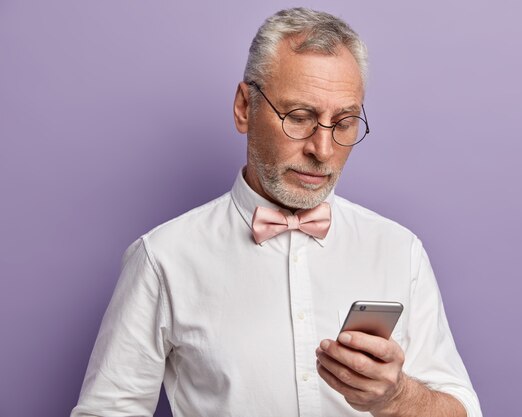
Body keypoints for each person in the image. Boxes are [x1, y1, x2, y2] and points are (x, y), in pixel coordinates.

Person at [71, 7, 482, 417]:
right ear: (244, 108)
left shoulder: (399, 250)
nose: (322, 150)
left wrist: (397, 399)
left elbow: (463, 410)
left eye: (343, 122)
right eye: (299, 117)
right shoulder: (162, 258)